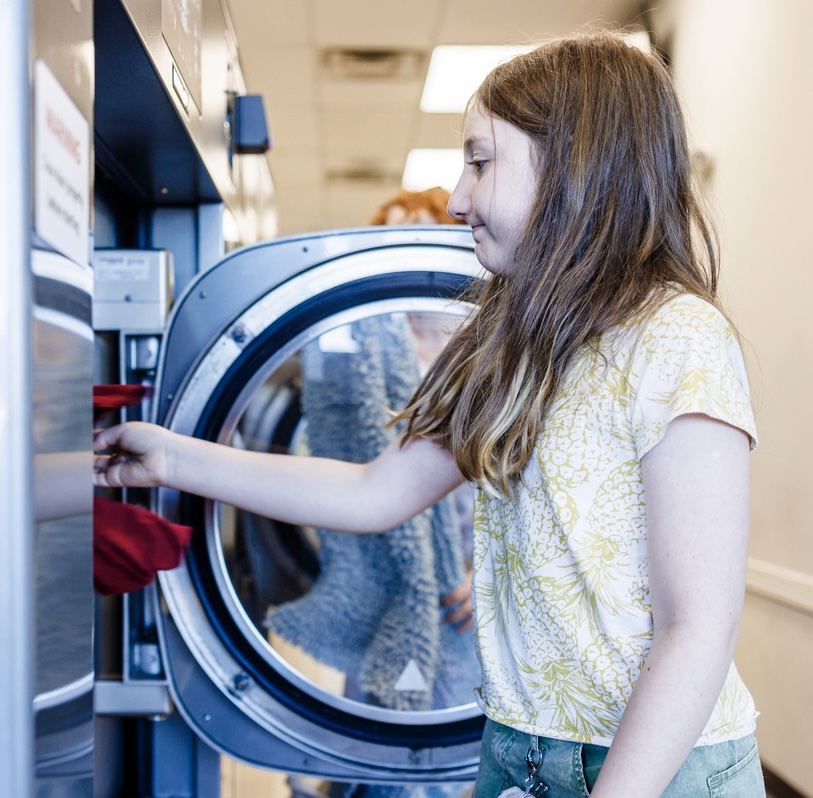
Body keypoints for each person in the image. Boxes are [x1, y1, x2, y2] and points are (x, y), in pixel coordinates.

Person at [94, 30, 765, 797]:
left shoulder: (675, 337)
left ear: (576, 166)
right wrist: (176, 458)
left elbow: (695, 630)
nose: (455, 198)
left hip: (656, 764)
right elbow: (373, 492)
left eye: (480, 161)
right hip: (517, 749)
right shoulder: (507, 343)